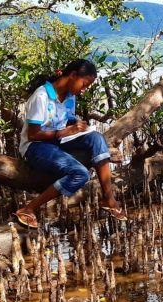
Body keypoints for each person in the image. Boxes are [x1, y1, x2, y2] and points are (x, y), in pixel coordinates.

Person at [14, 59, 125, 229]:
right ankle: (29, 209)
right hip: (35, 147)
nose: (84, 89)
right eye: (84, 84)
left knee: (96, 137)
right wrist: (63, 132)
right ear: (73, 75)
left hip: (57, 142)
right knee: (80, 174)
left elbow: (66, 120)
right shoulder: (41, 96)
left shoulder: (70, 96)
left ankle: (108, 197)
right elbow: (33, 134)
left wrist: (77, 125)